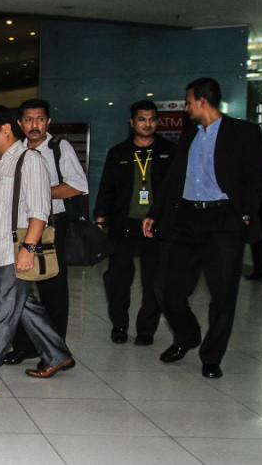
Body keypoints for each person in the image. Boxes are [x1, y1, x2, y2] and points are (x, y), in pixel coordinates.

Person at [143, 78, 262, 379]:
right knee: (164, 286)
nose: (186, 109)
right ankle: (187, 335)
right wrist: (154, 213)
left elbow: (257, 178)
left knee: (223, 294)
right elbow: (174, 179)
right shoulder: (190, 134)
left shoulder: (245, 132)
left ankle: (211, 356)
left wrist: (245, 215)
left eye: (188, 103)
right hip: (186, 218)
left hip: (224, 221)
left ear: (202, 101)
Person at [0, 105, 74, 394]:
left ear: (6, 129)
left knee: (2, 316)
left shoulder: (30, 160)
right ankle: (57, 354)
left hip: (14, 250)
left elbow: (39, 211)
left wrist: (28, 249)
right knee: (24, 307)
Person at [4, 98, 88, 366]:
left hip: (52, 226)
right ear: (20, 123)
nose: (34, 125)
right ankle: (24, 346)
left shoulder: (58, 147)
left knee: (52, 290)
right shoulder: (15, 150)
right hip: (21, 227)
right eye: (28, 119)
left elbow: (77, 185)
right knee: (19, 288)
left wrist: (39, 194)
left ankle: (55, 351)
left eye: (40, 119)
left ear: (48, 121)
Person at [94, 100, 176, 345]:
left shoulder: (170, 151)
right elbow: (106, 188)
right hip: (123, 225)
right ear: (132, 122)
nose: (147, 124)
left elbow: (175, 191)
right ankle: (119, 325)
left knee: (153, 280)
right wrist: (99, 220)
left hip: (156, 227)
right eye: (142, 119)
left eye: (152, 119)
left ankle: (146, 330)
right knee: (118, 278)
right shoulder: (118, 153)